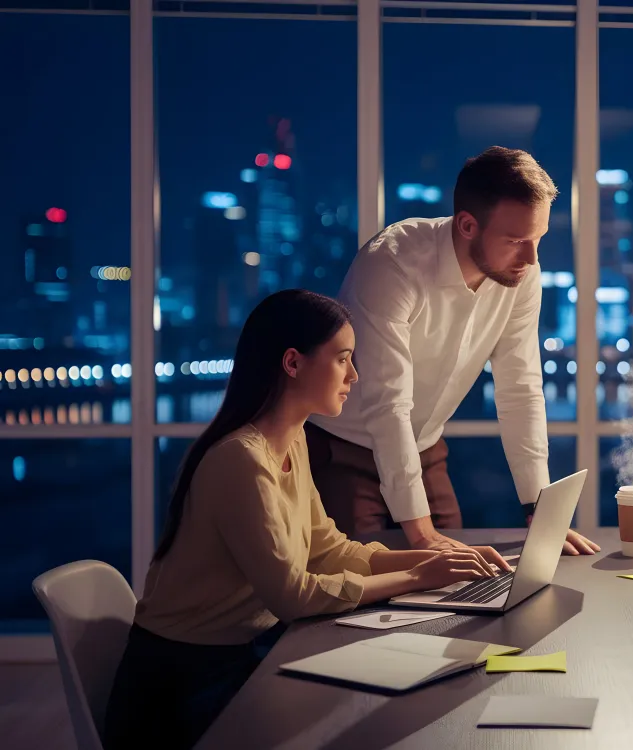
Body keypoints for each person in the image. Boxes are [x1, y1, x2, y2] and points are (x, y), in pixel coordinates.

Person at [103, 290, 511, 750]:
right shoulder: (240, 459)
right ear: (293, 363)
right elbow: (293, 595)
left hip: (242, 655)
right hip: (184, 686)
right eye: (342, 359)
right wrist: (416, 576)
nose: (354, 376)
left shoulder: (291, 441)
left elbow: (328, 549)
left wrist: (439, 558)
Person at [307, 146, 600, 556]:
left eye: (538, 239)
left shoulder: (520, 273)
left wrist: (540, 506)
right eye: (516, 240)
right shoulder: (391, 265)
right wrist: (421, 534)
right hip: (344, 450)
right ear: (466, 225)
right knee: (361, 582)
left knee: (458, 585)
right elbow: (387, 405)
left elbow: (521, 388)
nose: (531, 259)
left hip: (426, 449)